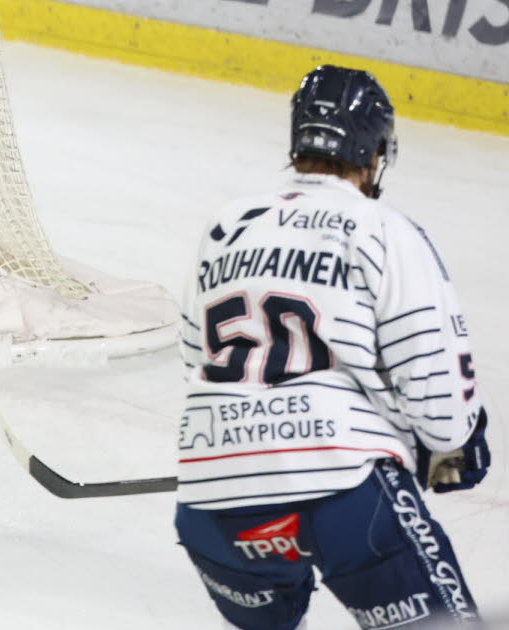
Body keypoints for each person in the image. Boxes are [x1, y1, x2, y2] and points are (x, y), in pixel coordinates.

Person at [174, 65, 489, 629]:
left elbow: (191, 355)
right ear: (375, 152)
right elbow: (439, 397)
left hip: (214, 500)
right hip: (342, 489)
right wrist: (455, 444)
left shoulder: (225, 226)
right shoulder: (379, 227)